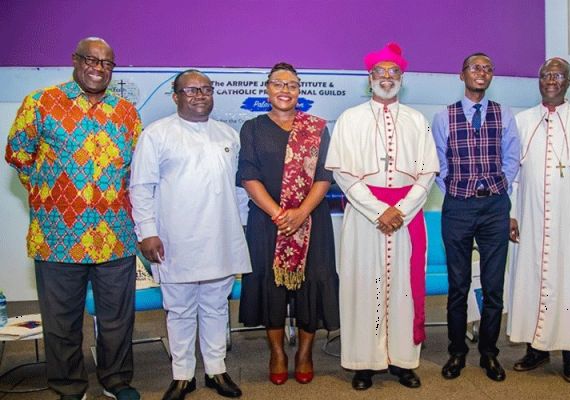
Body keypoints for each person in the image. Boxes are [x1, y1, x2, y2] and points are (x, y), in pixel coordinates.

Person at [5, 37, 141, 400]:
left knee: (117, 319)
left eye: (107, 64)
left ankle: (116, 380)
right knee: (61, 321)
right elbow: (18, 154)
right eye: (91, 61)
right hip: (57, 235)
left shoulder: (126, 111)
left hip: (115, 233)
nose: (99, 69)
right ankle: (68, 386)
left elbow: (136, 169)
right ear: (75, 61)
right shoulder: (41, 102)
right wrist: (52, 192)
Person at [130, 69, 251, 399]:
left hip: (221, 237)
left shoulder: (228, 135)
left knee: (216, 306)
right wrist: (147, 232)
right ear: (176, 96)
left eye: (206, 89)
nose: (199, 95)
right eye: (191, 90)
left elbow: (239, 189)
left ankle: (216, 369)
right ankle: (182, 374)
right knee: (180, 308)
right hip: (175, 239)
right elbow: (140, 188)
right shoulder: (157, 134)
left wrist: (240, 227)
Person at [325, 43, 439, 391]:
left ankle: (403, 361)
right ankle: (364, 363)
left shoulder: (417, 121)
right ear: (369, 78)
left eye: (393, 73)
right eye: (380, 73)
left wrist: (400, 210)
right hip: (364, 217)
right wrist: (379, 210)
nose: (386, 79)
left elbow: (427, 174)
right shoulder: (350, 119)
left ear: (401, 80)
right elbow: (343, 174)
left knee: (404, 289)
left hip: (407, 215)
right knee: (364, 287)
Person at [237, 62, 339, 386]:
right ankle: (278, 353)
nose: (285, 90)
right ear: (267, 89)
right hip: (268, 224)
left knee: (313, 283)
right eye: (278, 84)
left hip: (313, 220)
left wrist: (301, 213)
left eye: (292, 85)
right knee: (272, 286)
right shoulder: (252, 128)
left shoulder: (317, 128)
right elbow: (248, 176)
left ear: (299, 90)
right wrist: (281, 215)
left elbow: (325, 175)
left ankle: (305, 353)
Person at [507, 57, 570, 383]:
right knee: (532, 280)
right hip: (531, 219)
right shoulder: (522, 121)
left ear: (568, 81)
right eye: (545, 74)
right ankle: (536, 349)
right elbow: (514, 176)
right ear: (539, 80)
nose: (550, 80)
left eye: (557, 75)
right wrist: (512, 213)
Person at [432, 52, 520, 382]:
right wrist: (458, 190)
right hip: (458, 208)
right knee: (458, 285)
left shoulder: (505, 115)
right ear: (462, 74)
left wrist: (496, 188)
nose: (480, 73)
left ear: (491, 76)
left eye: (486, 68)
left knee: (494, 286)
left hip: (495, 206)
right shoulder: (444, 117)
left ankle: (489, 353)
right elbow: (439, 163)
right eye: (474, 67)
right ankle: (457, 352)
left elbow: (511, 159)